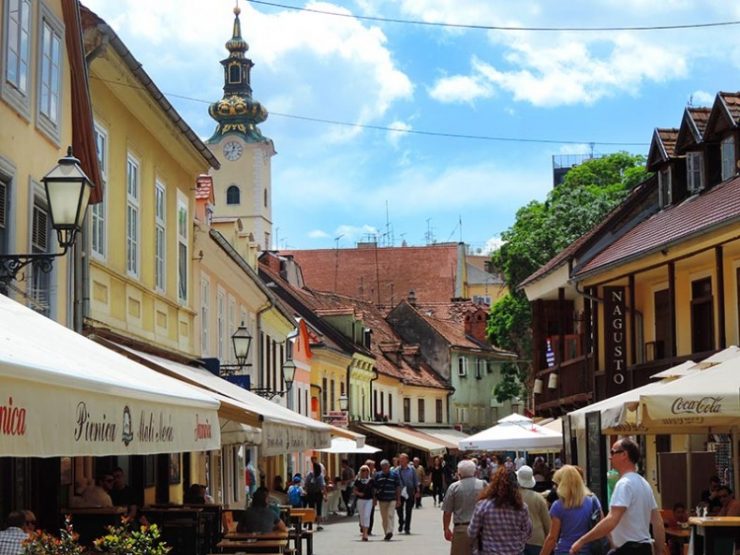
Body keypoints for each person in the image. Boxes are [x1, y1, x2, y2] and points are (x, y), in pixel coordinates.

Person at [569, 437, 664, 555]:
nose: (610, 457)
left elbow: (611, 520)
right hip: (644, 548)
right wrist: (659, 551)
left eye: (612, 452)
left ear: (624, 454)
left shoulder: (624, 484)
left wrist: (582, 541)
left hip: (629, 550)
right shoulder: (644, 483)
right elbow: (658, 522)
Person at [467, 466, 532, 555]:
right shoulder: (522, 507)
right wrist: (517, 543)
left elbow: (472, 532)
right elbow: (527, 532)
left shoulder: (483, 506)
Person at [540, 464, 602, 555]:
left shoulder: (558, 506)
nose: (555, 487)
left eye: (556, 484)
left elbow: (552, 538)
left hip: (565, 550)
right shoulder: (593, 501)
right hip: (587, 550)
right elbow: (602, 525)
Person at [441, 459, 486, 555]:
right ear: (474, 471)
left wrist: (446, 528)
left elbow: (447, 512)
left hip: (461, 530)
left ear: (459, 473)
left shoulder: (454, 487)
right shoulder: (483, 485)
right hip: (481, 529)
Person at [516, 465, 551, 555]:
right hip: (537, 539)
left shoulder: (512, 497)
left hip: (517, 538)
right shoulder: (538, 498)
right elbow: (546, 521)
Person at [373, 459, 401, 541]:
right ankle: (387, 533)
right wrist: (374, 499)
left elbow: (398, 487)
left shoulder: (395, 475)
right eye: (383, 468)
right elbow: (375, 488)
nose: (385, 469)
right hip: (382, 500)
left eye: (386, 467)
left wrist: (398, 499)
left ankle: (390, 531)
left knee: (390, 515)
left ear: (389, 466)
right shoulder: (378, 475)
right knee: (384, 518)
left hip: (392, 498)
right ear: (381, 467)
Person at [396, 453, 420, 534]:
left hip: (409, 490)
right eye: (400, 459)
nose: (401, 461)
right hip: (400, 491)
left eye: (403, 459)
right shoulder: (397, 470)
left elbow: (415, 480)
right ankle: (401, 522)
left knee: (408, 510)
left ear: (407, 460)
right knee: (399, 509)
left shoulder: (412, 469)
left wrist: (417, 490)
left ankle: (407, 527)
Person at [353, 465, 375, 541]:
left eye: (366, 470)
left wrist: (375, 499)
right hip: (360, 500)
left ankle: (365, 534)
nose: (365, 472)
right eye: (363, 470)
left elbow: (374, 490)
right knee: (362, 517)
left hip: (369, 500)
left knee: (366, 515)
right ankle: (363, 531)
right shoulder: (358, 481)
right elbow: (354, 490)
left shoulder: (371, 480)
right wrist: (359, 494)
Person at [304, 462, 326, 530]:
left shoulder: (309, 475)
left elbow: (306, 484)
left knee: (311, 509)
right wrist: (325, 495)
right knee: (319, 509)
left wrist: (307, 491)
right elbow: (323, 486)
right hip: (318, 494)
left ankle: (310, 523)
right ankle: (318, 524)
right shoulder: (320, 476)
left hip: (310, 494)